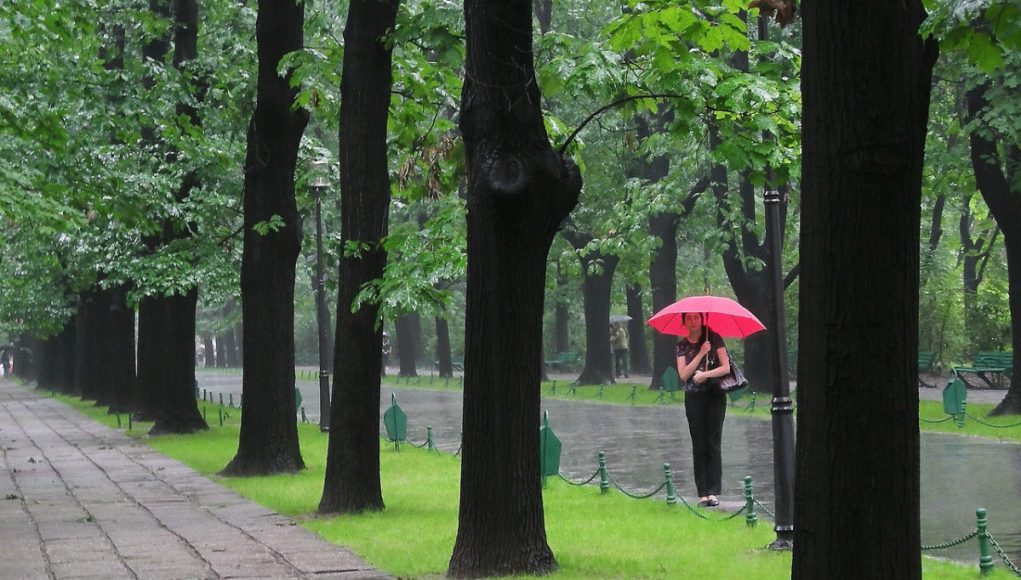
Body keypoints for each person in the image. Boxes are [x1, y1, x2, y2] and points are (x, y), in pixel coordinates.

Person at [675, 312, 730, 507]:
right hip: (694, 398)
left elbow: (725, 368)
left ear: (702, 319)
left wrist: (706, 374)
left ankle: (714, 491)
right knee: (699, 444)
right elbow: (683, 374)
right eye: (689, 318)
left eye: (697, 317)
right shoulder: (682, 346)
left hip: (715, 396)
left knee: (713, 443)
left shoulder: (714, 338)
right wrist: (700, 354)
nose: (693, 321)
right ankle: (703, 493)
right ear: (684, 322)